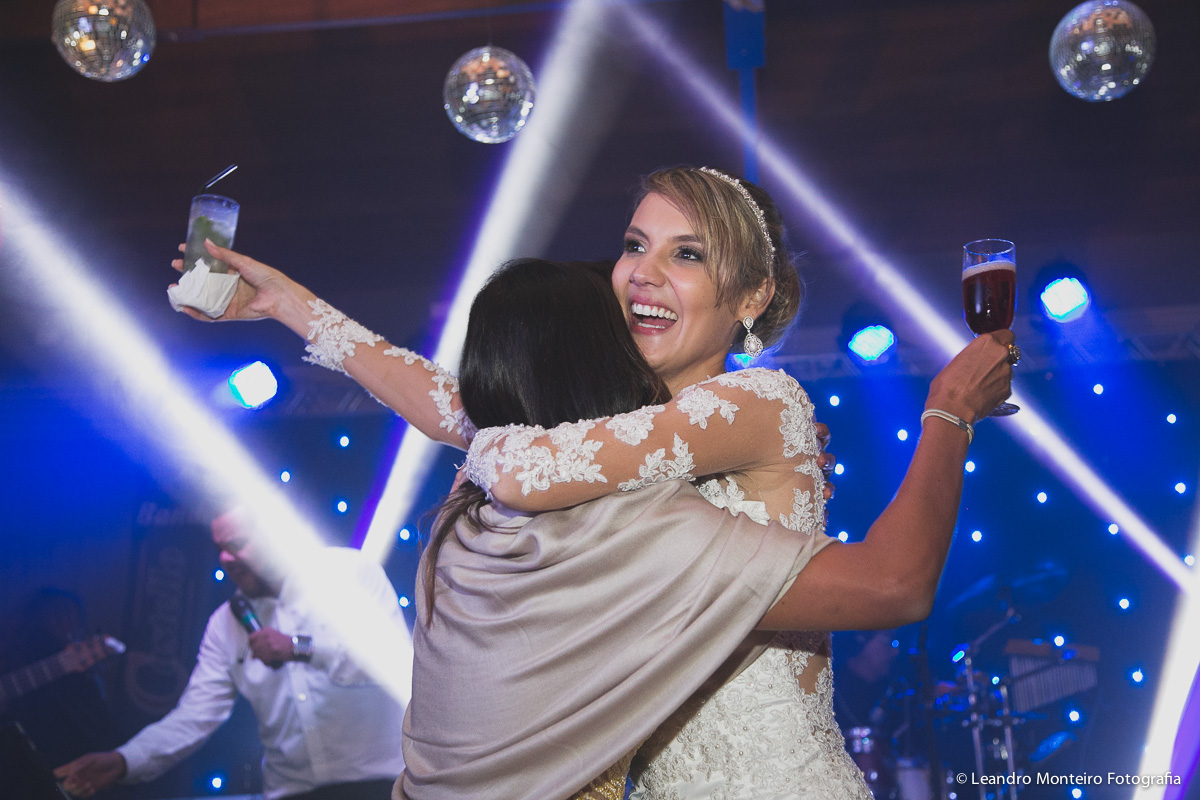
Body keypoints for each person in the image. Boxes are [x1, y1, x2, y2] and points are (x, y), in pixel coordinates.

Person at [173, 165, 1016, 797]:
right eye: (634, 245)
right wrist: (287, 304)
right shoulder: (629, 418)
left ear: (752, 294)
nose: (644, 272)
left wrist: (947, 409)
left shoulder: (759, 395)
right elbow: (451, 405)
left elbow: (498, 442)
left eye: (686, 254)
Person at [399, 257, 1010, 800]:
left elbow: (454, 409)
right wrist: (949, 409)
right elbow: (895, 582)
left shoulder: (462, 514)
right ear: (594, 368)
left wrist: (754, 465)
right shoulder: (619, 529)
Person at [54, 508, 407, 800]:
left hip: (383, 783)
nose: (225, 558)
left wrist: (300, 648)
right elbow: (195, 715)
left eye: (236, 544)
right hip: (292, 791)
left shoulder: (348, 573)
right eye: (220, 548)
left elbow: (393, 663)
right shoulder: (225, 624)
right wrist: (125, 760)